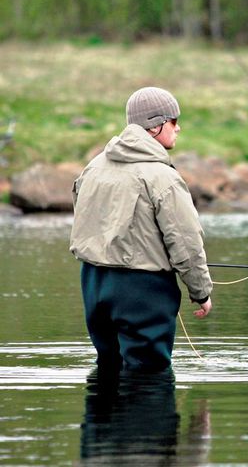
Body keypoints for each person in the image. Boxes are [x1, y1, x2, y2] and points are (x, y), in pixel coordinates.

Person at [70, 86, 213, 372]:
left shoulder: (94, 166)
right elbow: (186, 243)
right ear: (156, 126)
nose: (178, 128)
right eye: (174, 121)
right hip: (142, 292)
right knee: (148, 377)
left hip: (93, 285)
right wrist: (201, 291)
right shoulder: (163, 177)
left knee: (108, 371)